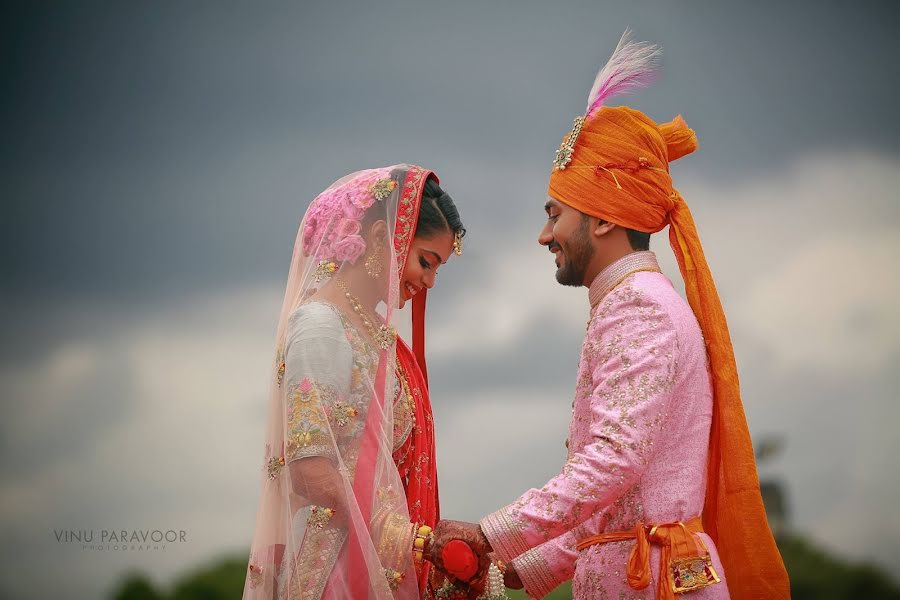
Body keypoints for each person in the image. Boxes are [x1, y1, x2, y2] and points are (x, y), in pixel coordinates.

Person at [430, 32, 790, 599]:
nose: (545, 235)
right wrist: (516, 569)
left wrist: (490, 536)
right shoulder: (627, 304)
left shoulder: (640, 309)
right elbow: (618, 512)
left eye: (556, 214)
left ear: (602, 220)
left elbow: (612, 463)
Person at [243, 164, 466, 599]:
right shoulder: (322, 326)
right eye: (426, 261)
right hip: (334, 570)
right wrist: (412, 539)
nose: (429, 281)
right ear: (384, 238)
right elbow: (309, 472)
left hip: (378, 563)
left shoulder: (376, 335)